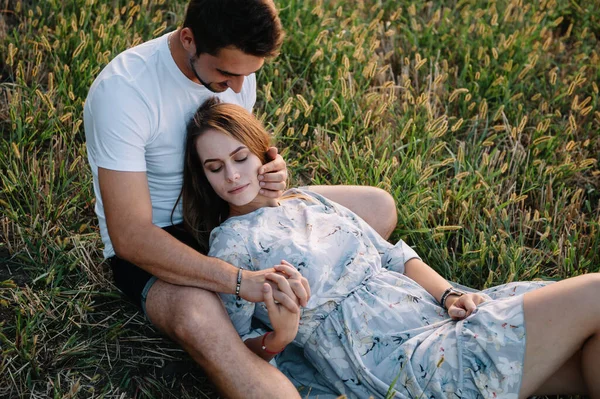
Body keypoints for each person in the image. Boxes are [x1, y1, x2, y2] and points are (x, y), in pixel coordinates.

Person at [180, 97, 600, 399]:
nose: (232, 177)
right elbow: (241, 348)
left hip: (432, 315)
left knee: (592, 354)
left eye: (240, 158)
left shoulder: (308, 199)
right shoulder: (231, 244)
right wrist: (281, 334)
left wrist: (449, 293)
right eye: (215, 168)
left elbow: (392, 256)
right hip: (394, 358)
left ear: (262, 153)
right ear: (205, 178)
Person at [83, 0, 396, 397]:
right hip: (160, 239)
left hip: (233, 212)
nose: (237, 87)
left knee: (377, 207)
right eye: (227, 73)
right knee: (199, 320)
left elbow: (238, 149)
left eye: (247, 75)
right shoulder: (124, 92)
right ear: (188, 39)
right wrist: (238, 281)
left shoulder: (236, 72)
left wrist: (271, 172)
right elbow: (129, 235)